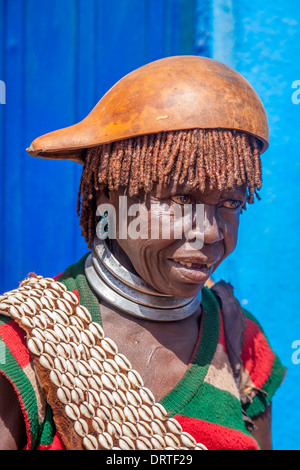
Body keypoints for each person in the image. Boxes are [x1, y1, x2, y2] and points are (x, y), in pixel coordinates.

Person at [0, 56, 286, 450]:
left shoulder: (240, 337)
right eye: (181, 197)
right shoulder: (25, 343)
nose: (208, 231)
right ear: (107, 198)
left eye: (231, 203)